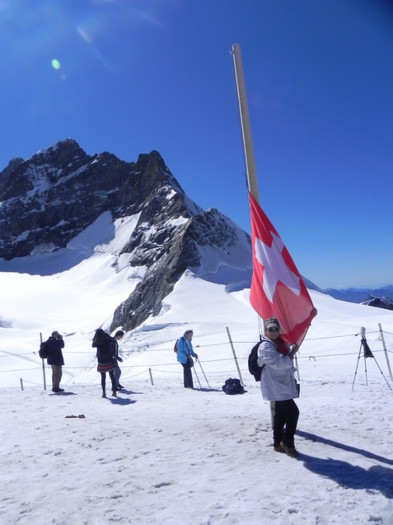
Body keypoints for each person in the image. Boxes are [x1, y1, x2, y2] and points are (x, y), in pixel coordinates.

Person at [257, 317, 300, 458]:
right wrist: (292, 353)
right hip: (275, 385)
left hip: (282, 384)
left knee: (280, 415)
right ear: (266, 331)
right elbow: (278, 363)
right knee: (293, 412)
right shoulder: (265, 347)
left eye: (276, 329)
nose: (274, 332)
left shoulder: (280, 343)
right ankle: (288, 443)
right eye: (271, 329)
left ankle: (277, 443)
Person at [92, 328, 118, 398]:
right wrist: (107, 335)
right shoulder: (106, 339)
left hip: (101, 361)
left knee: (103, 377)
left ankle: (104, 393)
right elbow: (112, 340)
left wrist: (95, 337)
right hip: (109, 359)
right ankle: (114, 392)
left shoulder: (96, 341)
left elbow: (93, 345)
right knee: (112, 376)